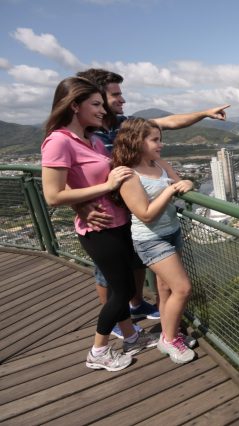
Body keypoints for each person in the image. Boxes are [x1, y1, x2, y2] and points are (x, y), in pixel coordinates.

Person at [74, 68, 230, 340]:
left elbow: (169, 122)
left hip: (131, 209)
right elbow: (69, 174)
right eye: (115, 95)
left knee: (136, 263)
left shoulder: (125, 124)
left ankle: (135, 305)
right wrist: (80, 206)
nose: (122, 99)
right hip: (105, 213)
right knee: (108, 273)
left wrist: (204, 113)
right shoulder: (84, 132)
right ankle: (113, 319)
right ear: (95, 96)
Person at [40, 77, 158, 371]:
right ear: (74, 105)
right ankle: (98, 351)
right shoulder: (58, 141)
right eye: (95, 104)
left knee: (125, 286)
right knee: (119, 293)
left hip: (117, 221)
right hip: (98, 230)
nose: (102, 110)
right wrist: (105, 187)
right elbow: (53, 195)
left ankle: (131, 337)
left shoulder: (91, 139)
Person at [113, 118, 195, 363]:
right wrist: (169, 190)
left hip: (172, 231)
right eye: (155, 139)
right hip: (151, 239)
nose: (160, 144)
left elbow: (181, 182)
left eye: (160, 139)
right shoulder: (129, 175)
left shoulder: (159, 163)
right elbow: (145, 214)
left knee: (165, 288)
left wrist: (186, 183)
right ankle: (169, 340)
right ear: (137, 141)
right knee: (183, 288)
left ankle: (171, 332)